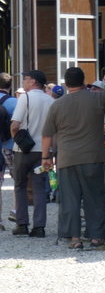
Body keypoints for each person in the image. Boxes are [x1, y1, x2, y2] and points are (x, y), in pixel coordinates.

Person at [42, 67, 105, 250]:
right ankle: (96, 237)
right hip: (93, 156)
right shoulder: (97, 98)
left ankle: (75, 239)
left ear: (66, 84)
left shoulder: (57, 105)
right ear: (83, 81)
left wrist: (45, 158)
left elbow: (47, 134)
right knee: (95, 198)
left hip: (66, 158)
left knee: (70, 200)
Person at [9, 70, 55, 237]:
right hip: (43, 151)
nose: (23, 82)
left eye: (26, 79)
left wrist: (16, 139)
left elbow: (15, 125)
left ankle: (22, 224)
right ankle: (39, 227)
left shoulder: (25, 98)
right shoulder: (51, 101)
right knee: (39, 188)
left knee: (20, 185)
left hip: (24, 150)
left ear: (33, 81)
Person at [0, 73, 16, 229]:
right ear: (10, 86)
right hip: (10, 146)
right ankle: (15, 211)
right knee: (18, 180)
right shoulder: (14, 102)